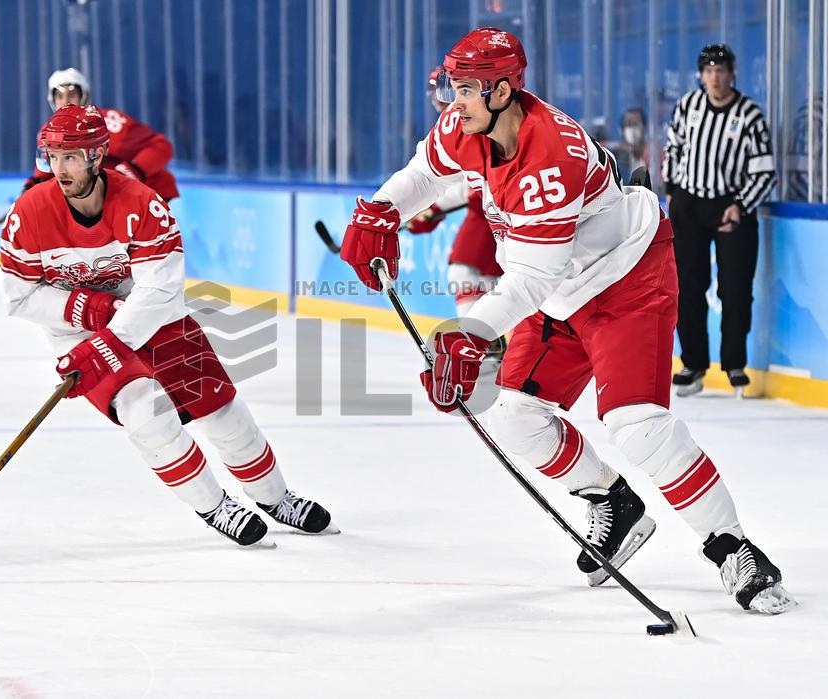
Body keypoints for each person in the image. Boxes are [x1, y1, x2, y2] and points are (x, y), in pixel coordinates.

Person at [340, 28, 794, 613]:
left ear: (504, 90)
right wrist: (381, 210)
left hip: (624, 278)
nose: (455, 102)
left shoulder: (550, 152)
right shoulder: (467, 124)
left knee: (638, 427)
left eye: (468, 89)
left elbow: (533, 278)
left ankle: (734, 547)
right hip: (557, 291)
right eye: (454, 87)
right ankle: (615, 503)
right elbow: (424, 174)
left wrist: (471, 331)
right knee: (513, 419)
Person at [1, 104, 334, 546]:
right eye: (53, 157)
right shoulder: (29, 214)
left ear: (97, 157)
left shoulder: (141, 202)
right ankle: (215, 506)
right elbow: (19, 297)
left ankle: (276, 498)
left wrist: (113, 334)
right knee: (146, 413)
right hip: (80, 334)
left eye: (71, 157)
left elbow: (159, 289)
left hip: (153, 320)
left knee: (222, 412)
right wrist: (95, 314)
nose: (59, 169)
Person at [662, 45, 776, 397]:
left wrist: (740, 206)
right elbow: (674, 148)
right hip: (690, 205)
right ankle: (694, 363)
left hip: (731, 207)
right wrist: (673, 192)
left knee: (735, 289)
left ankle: (735, 365)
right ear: (701, 75)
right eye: (708, 70)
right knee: (687, 287)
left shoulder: (750, 116)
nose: (715, 77)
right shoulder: (688, 106)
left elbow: (765, 172)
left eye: (721, 70)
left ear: (732, 74)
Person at [408, 67, 505, 319]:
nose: (441, 102)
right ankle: (487, 345)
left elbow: (467, 180)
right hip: (487, 209)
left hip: (499, 208)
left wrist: (434, 208)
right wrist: (433, 209)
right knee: (490, 279)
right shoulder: (453, 124)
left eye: (445, 94)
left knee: (467, 273)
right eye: (436, 96)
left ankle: (479, 341)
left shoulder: (476, 119)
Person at [23, 68, 179, 202]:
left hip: (147, 194)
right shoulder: (47, 133)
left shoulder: (109, 122)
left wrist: (134, 170)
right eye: (60, 96)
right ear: (52, 101)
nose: (66, 102)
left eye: (71, 94)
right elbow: (46, 174)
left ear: (83, 96)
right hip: (98, 201)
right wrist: (30, 189)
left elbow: (161, 146)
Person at [609, 108, 648, 184]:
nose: (632, 129)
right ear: (622, 130)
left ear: (644, 127)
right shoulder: (615, 156)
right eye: (629, 124)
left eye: (636, 124)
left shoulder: (654, 155)